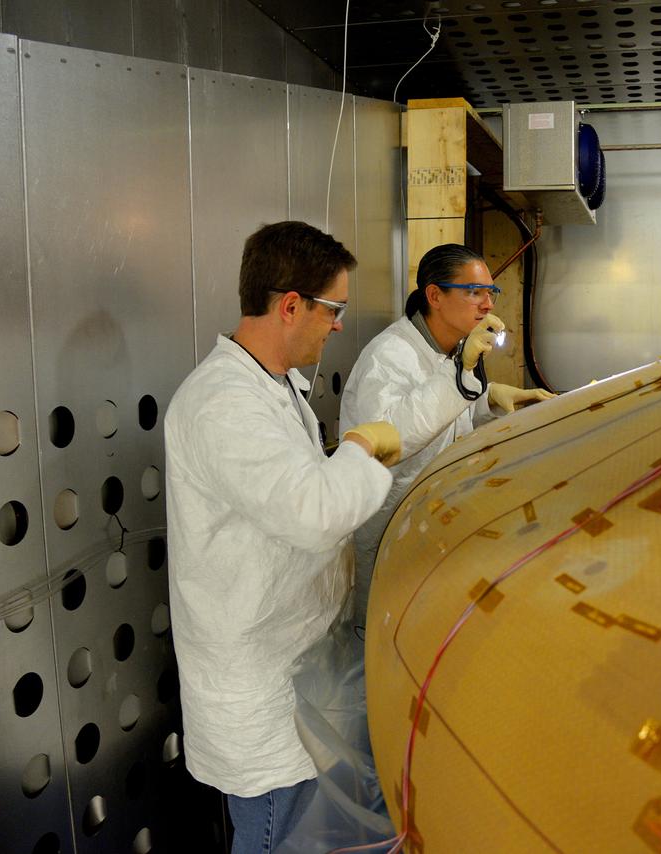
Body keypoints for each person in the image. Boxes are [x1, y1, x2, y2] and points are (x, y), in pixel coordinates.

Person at [164, 221, 402, 854]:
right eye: (334, 310)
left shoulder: (271, 385)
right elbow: (313, 511)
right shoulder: (222, 402)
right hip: (260, 691)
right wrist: (358, 448)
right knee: (276, 838)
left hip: (298, 671)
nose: (339, 325)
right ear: (291, 305)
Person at [339, 244, 554, 623]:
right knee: (380, 632)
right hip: (388, 527)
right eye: (474, 292)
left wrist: (489, 400)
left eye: (491, 291)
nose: (488, 304)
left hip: (430, 519)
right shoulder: (388, 356)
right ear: (435, 296)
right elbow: (388, 438)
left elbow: (443, 415)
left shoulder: (446, 350)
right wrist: (461, 377)